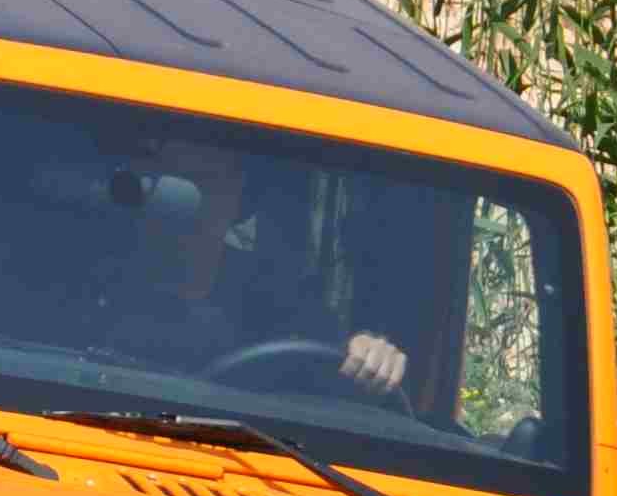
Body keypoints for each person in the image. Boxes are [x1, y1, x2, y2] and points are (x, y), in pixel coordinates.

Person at [90, 135, 407, 398]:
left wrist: (369, 355)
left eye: (202, 184)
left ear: (241, 198)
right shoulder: (90, 277)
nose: (180, 202)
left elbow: (335, 363)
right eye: (165, 184)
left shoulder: (282, 303)